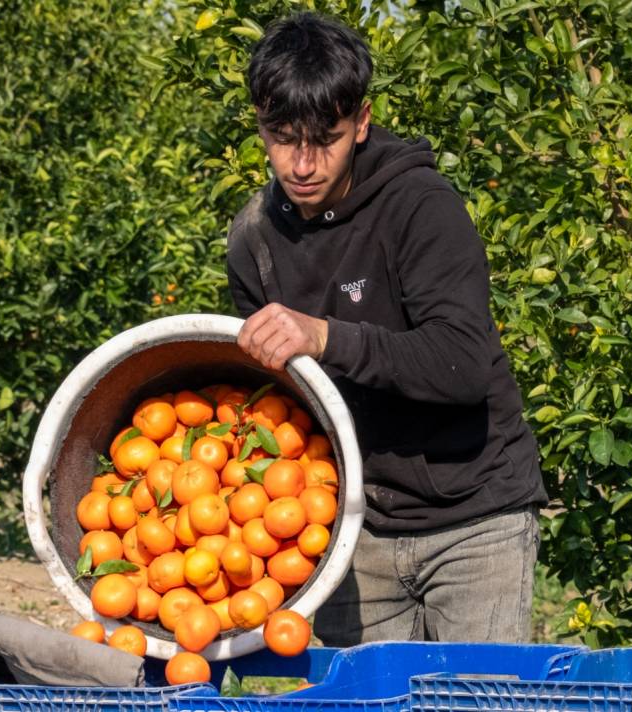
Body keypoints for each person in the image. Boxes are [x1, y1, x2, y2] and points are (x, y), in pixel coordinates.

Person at [227, 11, 547, 645]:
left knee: (475, 699)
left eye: (327, 137)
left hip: (473, 520)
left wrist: (325, 336)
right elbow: (273, 402)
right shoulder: (255, 240)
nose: (303, 162)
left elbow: (461, 363)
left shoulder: (421, 207)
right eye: (282, 137)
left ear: (363, 122)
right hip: (353, 532)